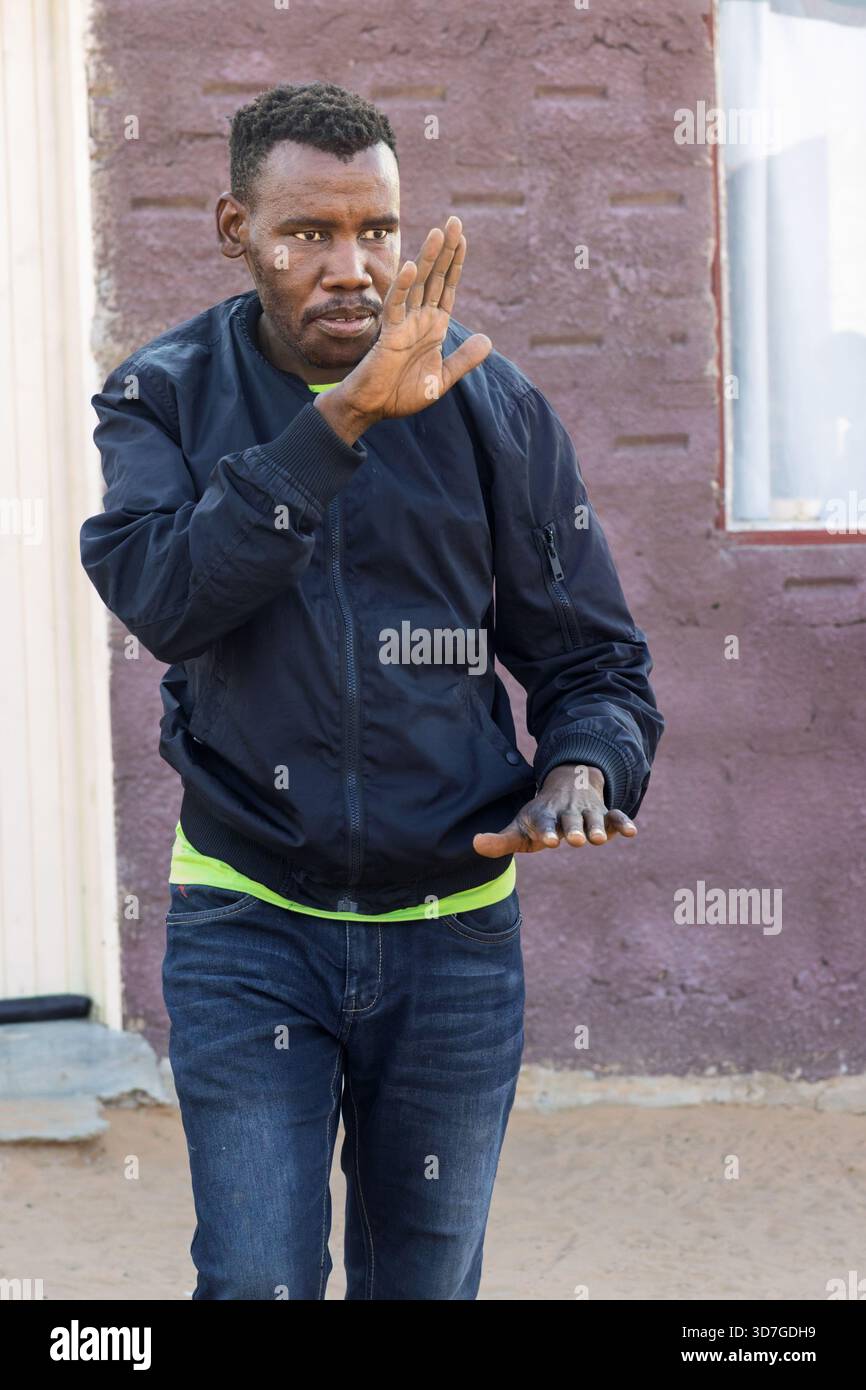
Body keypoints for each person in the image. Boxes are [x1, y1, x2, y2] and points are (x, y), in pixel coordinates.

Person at [80, 80, 664, 1301]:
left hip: (451, 935)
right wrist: (343, 418)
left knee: (426, 1285)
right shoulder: (163, 395)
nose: (351, 268)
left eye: (376, 232)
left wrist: (582, 766)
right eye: (307, 235)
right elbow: (166, 597)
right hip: (248, 922)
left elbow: (591, 660)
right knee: (256, 1280)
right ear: (234, 230)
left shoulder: (490, 404)